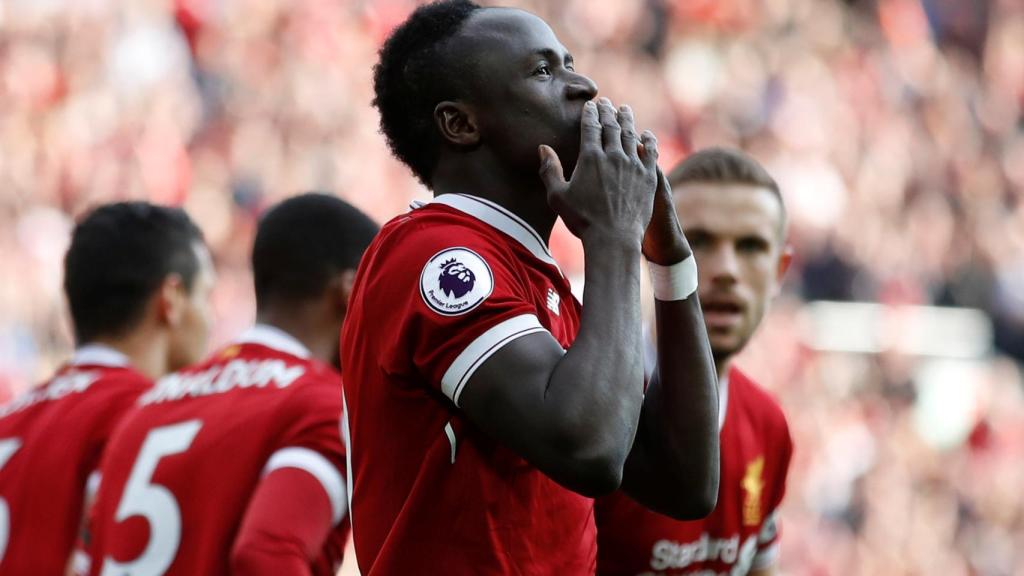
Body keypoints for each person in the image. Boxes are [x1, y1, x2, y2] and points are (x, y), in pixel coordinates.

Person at [341, 1, 720, 573]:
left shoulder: (544, 285)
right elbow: (588, 449)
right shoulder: (434, 253)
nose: (585, 86)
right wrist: (614, 237)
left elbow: (685, 481)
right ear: (461, 124)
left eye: (570, 64)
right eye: (544, 71)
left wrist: (669, 263)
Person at [87, 193, 378, 576]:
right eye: (379, 289)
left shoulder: (149, 406)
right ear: (349, 290)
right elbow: (266, 553)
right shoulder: (319, 404)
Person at [595, 148, 795, 576]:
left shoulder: (768, 426)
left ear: (780, 271)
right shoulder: (594, 409)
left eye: (751, 246)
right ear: (650, 252)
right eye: (697, 241)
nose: (725, 270)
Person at [0, 202, 214, 575]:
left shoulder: (9, 420)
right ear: (172, 300)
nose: (210, 319)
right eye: (205, 296)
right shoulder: (152, 419)